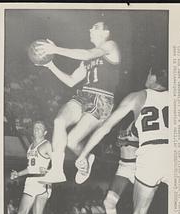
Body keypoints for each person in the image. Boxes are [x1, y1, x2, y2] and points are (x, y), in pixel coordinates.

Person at [76, 65, 169, 214]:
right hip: (125, 166)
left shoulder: (136, 103)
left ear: (154, 75)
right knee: (110, 203)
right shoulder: (122, 125)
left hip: (141, 164)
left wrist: (83, 153)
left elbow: (110, 130)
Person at [34, 21, 121, 184]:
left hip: (102, 99)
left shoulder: (110, 45)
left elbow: (88, 54)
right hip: (84, 95)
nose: (90, 29)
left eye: (96, 27)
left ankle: (86, 160)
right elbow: (71, 81)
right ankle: (57, 171)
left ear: (106, 32)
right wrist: (50, 65)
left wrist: (56, 49)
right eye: (91, 26)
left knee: (73, 141)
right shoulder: (86, 60)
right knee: (59, 121)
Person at [101, 113, 164, 214]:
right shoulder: (119, 126)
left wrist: (128, 142)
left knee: (143, 213)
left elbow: (148, 144)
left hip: (139, 167)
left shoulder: (140, 122)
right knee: (108, 202)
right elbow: (119, 145)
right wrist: (114, 148)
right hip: (123, 166)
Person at [4, 121, 70, 214]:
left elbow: (57, 164)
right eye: (35, 128)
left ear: (45, 132)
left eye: (40, 128)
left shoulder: (47, 145)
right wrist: (18, 174)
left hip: (42, 181)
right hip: (31, 180)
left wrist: (49, 170)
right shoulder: (30, 147)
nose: (37, 129)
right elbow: (30, 168)